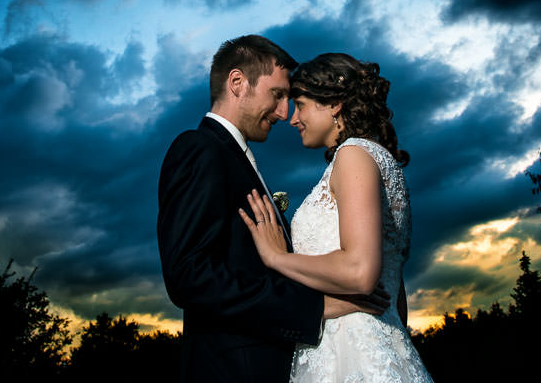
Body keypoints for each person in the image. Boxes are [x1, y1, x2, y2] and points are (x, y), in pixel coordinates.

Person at [158, 36, 386, 383]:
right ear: (237, 83)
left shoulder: (237, 160)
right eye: (278, 95)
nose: (284, 113)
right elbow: (189, 275)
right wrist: (315, 307)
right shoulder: (199, 149)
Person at [240, 53, 434, 383]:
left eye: (300, 104)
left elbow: (360, 271)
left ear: (334, 104)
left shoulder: (354, 154)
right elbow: (395, 296)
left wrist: (277, 258)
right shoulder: (377, 160)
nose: (292, 118)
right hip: (377, 345)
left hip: (351, 354)